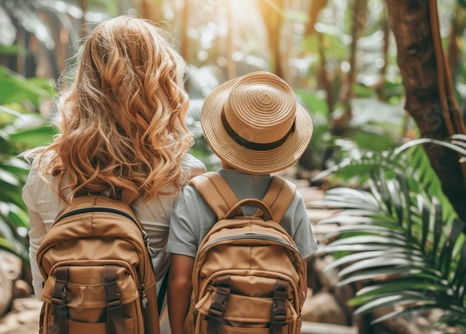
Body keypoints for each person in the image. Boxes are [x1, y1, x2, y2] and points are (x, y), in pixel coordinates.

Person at [22, 15, 206, 300]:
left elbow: (41, 282)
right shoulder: (183, 174)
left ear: (84, 79)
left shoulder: (45, 171)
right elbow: (188, 284)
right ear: (161, 79)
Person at [166, 71, 319, 334]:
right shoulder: (291, 199)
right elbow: (300, 284)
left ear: (220, 140)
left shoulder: (195, 195)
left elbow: (180, 281)